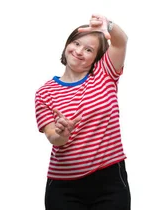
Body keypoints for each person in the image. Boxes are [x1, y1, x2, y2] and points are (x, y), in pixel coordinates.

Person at [34, 14, 130, 210]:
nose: (79, 51)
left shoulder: (105, 74)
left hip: (110, 182)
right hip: (64, 187)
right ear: (67, 44)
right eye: (76, 44)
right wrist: (62, 134)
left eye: (88, 49)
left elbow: (121, 42)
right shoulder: (44, 92)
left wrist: (109, 26)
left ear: (96, 57)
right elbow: (53, 137)